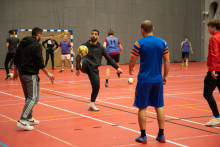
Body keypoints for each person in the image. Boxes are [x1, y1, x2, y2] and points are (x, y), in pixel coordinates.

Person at [129, 20, 170, 144]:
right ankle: (161, 135)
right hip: (157, 79)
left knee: (142, 107)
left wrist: (131, 69)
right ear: (153, 28)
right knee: (159, 106)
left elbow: (132, 60)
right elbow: (167, 61)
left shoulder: (139, 43)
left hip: (144, 80)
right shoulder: (163, 42)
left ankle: (143, 136)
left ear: (142, 30)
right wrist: (165, 76)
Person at [13, 27, 54, 131]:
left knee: (29, 97)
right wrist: (48, 73)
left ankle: (29, 118)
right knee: (33, 98)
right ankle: (22, 120)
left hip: (21, 73)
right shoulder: (36, 45)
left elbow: (15, 58)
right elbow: (40, 62)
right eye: (42, 35)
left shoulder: (22, 44)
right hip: (30, 74)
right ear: (39, 35)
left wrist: (15, 72)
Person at [75, 29, 122, 111]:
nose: (93, 35)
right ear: (90, 35)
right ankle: (80, 65)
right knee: (84, 61)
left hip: (94, 68)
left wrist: (117, 67)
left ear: (98, 36)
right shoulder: (84, 45)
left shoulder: (100, 47)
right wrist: (77, 68)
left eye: (95, 34)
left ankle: (91, 104)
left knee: (96, 86)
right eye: (92, 34)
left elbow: (109, 59)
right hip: (86, 65)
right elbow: (80, 56)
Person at [203, 19, 220, 126]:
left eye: (209, 27)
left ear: (214, 27)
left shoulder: (213, 38)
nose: (208, 29)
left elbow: (215, 54)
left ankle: (217, 117)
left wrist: (213, 69)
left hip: (215, 70)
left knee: (207, 93)